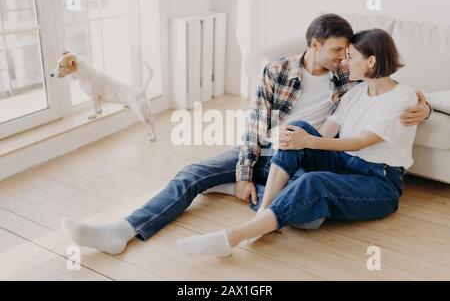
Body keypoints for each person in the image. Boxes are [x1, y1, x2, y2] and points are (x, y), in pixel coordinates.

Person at [62, 15, 431, 256]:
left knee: (307, 212)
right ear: (314, 45)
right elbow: (256, 123)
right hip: (271, 149)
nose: (342, 58)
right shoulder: (278, 70)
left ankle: (258, 214)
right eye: (337, 50)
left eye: (347, 53)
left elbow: (385, 83)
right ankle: (123, 229)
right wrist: (243, 170)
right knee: (192, 173)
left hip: (304, 156)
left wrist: (424, 105)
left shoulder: (348, 77)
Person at [176, 28, 419, 258]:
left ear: (372, 62)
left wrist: (310, 142)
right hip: (345, 163)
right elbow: (325, 133)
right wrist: (299, 139)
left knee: (312, 182)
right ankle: (265, 212)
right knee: (297, 128)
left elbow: (359, 142)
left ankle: (232, 237)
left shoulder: (403, 97)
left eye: (351, 57)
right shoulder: (355, 94)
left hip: (379, 182)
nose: (344, 63)